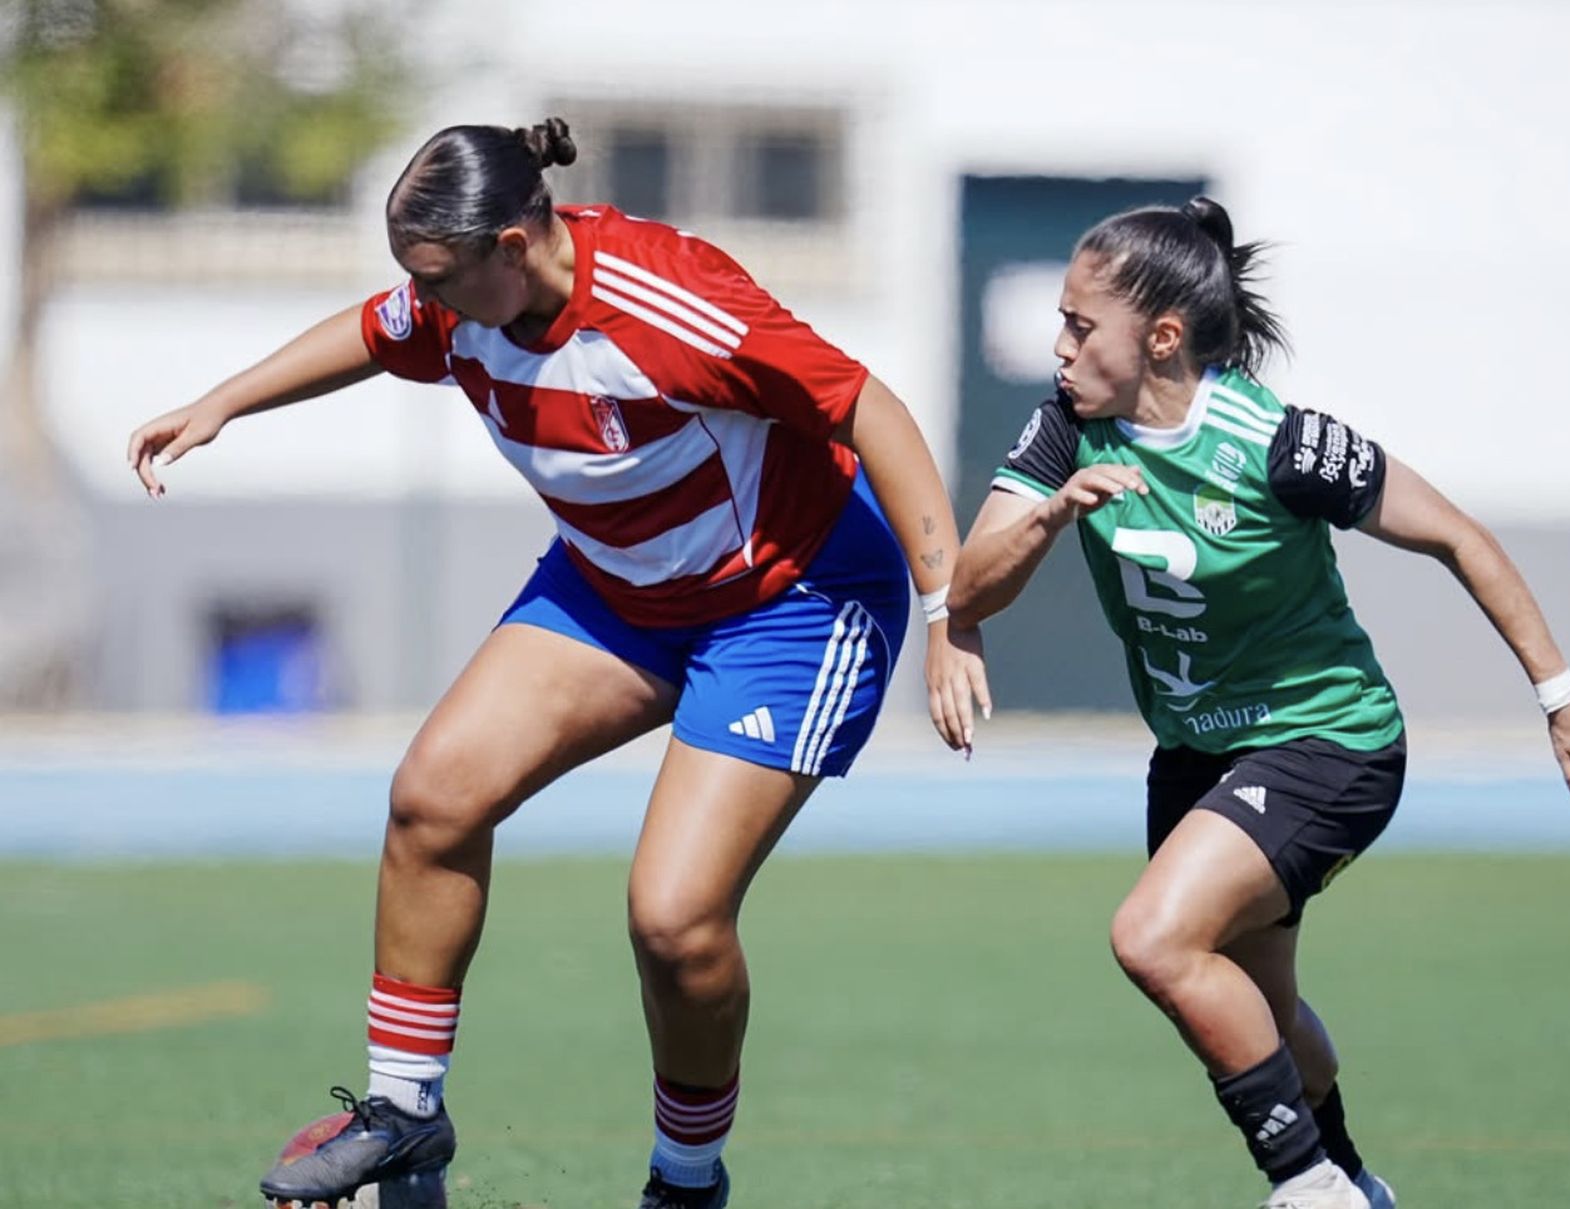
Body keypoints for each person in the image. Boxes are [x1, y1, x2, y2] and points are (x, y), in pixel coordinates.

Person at [127, 117, 989, 1209]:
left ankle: (684, 1183)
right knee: (432, 800)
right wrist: (222, 404)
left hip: (790, 602)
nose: (422, 304)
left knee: (674, 922)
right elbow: (369, 330)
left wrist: (944, 605)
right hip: (616, 589)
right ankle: (404, 1115)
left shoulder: (672, 303)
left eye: (436, 278)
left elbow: (869, 408)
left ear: (513, 247)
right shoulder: (459, 299)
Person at [948, 196, 1570, 1209]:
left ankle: (1309, 1189)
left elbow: (1459, 536)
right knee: (1261, 1008)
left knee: (1153, 939)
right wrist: (1049, 517)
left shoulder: (1278, 446)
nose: (1059, 346)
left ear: (1160, 337)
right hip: (1198, 758)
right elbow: (971, 588)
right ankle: (1354, 1182)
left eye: (1081, 325)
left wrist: (1560, 693)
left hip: (1326, 743)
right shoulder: (1064, 429)